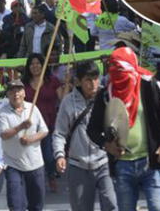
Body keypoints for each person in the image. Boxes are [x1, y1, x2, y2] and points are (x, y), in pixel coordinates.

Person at [88, 47, 160, 211]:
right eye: (113, 69)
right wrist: (107, 145)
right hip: (122, 166)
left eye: (120, 69)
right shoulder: (106, 94)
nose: (117, 74)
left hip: (151, 163)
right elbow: (92, 129)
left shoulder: (151, 85)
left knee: (157, 207)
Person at [53, 61, 117, 211]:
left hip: (104, 163)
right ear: (79, 81)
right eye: (88, 80)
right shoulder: (68, 102)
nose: (93, 84)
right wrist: (60, 155)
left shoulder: (107, 98)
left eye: (96, 78)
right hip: (78, 166)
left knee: (112, 205)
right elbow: (59, 133)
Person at [0, 80, 49, 211]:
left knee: (37, 205)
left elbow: (44, 131)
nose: (16, 94)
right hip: (13, 165)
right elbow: (4, 134)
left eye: (19, 90)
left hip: (35, 164)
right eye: (12, 91)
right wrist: (21, 127)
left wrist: (31, 139)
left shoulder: (33, 108)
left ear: (24, 93)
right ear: (7, 94)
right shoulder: (2, 112)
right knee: (16, 205)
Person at [22, 54, 69, 192]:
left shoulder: (52, 81)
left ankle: (51, 176)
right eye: (32, 64)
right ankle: (34, 183)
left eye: (38, 63)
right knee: (31, 156)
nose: (35, 66)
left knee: (48, 156)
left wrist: (66, 84)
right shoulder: (24, 83)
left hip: (48, 124)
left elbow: (63, 98)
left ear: (43, 66)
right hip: (30, 125)